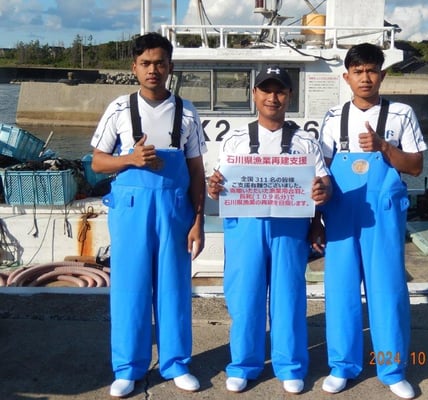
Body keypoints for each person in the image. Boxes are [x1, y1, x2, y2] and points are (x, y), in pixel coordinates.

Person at [90, 32, 207, 398]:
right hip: (131, 211)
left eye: (159, 63)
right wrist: (130, 158)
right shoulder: (119, 109)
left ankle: (176, 363)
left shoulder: (187, 112)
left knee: (174, 288)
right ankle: (128, 368)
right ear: (134, 68)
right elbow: (97, 163)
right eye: (145, 63)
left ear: (170, 67)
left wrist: (199, 220)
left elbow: (197, 172)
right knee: (130, 289)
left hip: (175, 211)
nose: (152, 69)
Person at [207, 65, 331, 394]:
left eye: (279, 91)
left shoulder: (306, 141)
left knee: (288, 296)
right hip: (244, 226)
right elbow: (217, 185)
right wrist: (213, 187)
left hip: (290, 227)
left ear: (289, 96)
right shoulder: (234, 140)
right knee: (244, 296)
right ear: (254, 94)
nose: (272, 97)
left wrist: (322, 195)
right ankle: (243, 365)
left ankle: (290, 365)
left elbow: (325, 182)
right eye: (266, 89)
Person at [316, 43, 427, 399]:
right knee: (341, 291)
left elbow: (416, 166)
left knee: (388, 290)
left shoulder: (401, 114)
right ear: (346, 77)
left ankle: (392, 369)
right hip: (341, 213)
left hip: (383, 215)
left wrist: (384, 148)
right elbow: (322, 172)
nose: (365, 77)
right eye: (358, 71)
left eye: (372, 70)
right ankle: (342, 366)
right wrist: (316, 216)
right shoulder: (332, 117)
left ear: (383, 74)